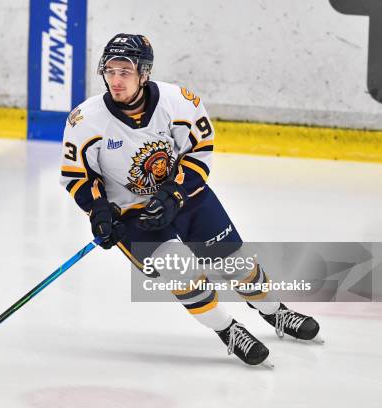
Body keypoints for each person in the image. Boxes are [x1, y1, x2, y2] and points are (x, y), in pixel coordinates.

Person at [59, 33, 321, 366]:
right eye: (110, 71)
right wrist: (99, 211)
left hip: (186, 197)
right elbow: (77, 175)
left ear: (144, 73)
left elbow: (198, 151)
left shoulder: (179, 102)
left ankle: (275, 312)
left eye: (125, 71)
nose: (115, 80)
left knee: (236, 264)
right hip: (132, 214)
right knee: (183, 275)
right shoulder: (85, 120)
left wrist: (175, 193)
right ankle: (229, 331)